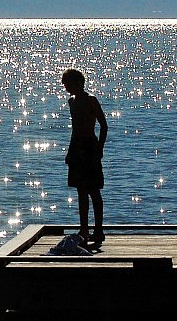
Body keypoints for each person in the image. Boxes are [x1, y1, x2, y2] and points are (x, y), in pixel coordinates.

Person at [61, 68, 108, 245]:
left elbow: (103, 125)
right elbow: (75, 130)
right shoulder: (71, 102)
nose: (65, 87)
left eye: (68, 84)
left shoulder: (91, 101)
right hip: (77, 148)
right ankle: (84, 229)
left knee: (93, 190)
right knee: (81, 191)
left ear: (78, 83)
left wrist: (100, 148)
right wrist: (70, 152)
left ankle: (98, 229)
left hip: (90, 147)